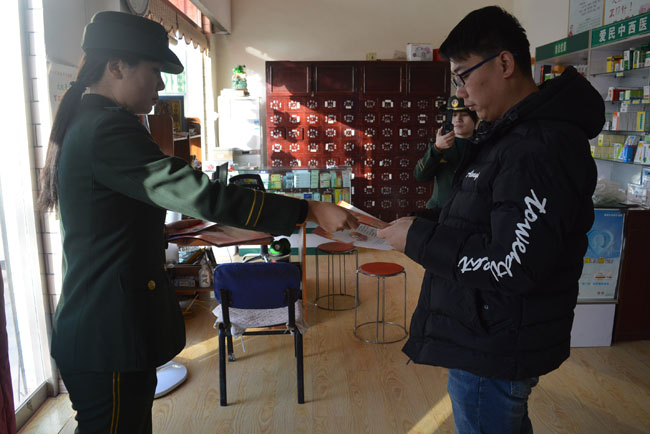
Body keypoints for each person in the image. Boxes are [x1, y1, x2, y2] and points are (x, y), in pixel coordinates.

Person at [37, 11, 357, 434]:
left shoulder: (90, 121)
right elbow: (202, 194)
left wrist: (162, 231)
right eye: (154, 71)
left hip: (106, 325)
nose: (161, 85)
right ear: (116, 66)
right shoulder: (105, 129)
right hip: (106, 332)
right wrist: (308, 209)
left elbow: (104, 222)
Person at [378, 6, 603, 434]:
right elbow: (482, 218)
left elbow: (512, 264)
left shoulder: (538, 147)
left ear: (504, 63)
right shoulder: (508, 135)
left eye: (462, 75)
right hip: (486, 332)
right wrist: (419, 222)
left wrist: (420, 239)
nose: (461, 95)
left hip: (495, 342)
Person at [412, 95, 478, 220]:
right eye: (453, 115)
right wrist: (437, 148)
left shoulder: (483, 145)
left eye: (464, 115)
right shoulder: (438, 144)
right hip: (439, 211)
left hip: (469, 213)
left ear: (475, 117)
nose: (458, 119)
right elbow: (420, 176)